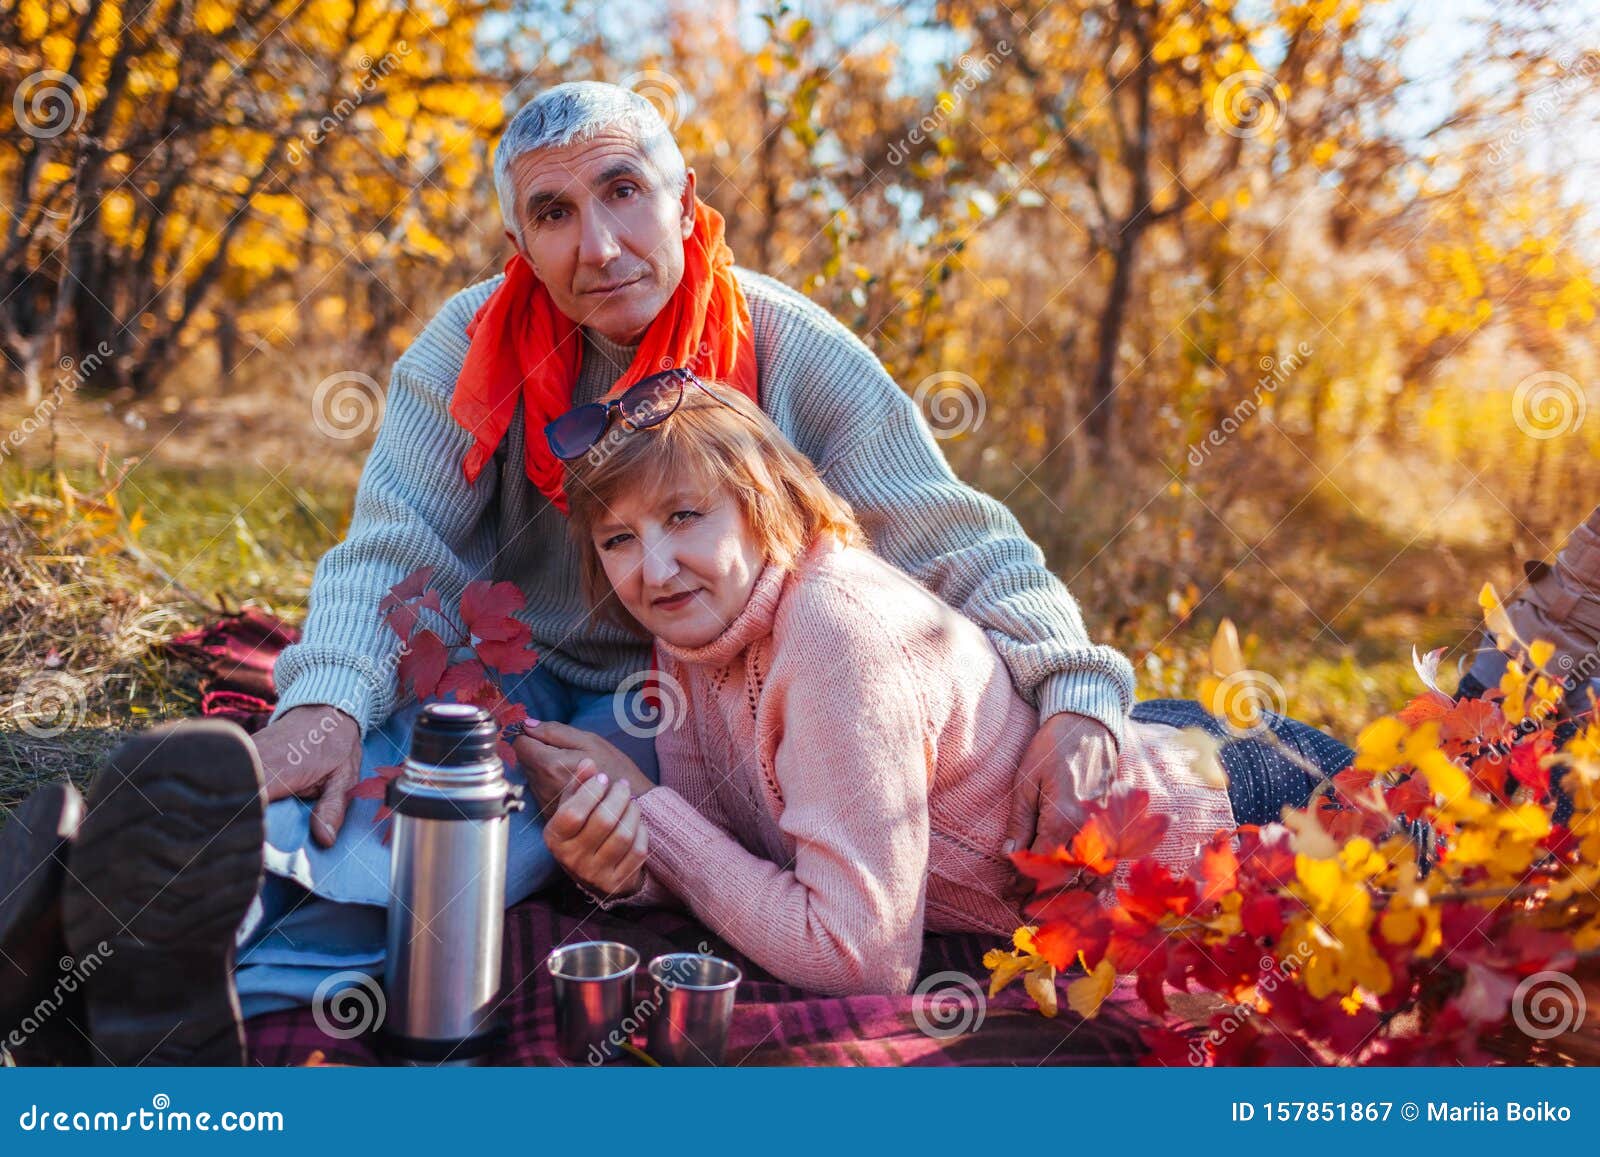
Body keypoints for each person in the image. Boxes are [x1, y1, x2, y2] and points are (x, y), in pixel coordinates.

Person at [229, 79, 1142, 1019]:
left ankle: (248, 979)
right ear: (520, 246)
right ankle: (178, 890)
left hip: (685, 706)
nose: (601, 246)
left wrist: (1078, 697)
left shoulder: (790, 345)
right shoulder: (468, 344)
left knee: (493, 824)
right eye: (555, 213)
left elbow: (961, 542)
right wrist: (327, 700)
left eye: (623, 190)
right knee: (385, 757)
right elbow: (393, 545)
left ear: (684, 197)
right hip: (514, 666)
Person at [512, 373, 1342, 994]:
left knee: (1459, 876)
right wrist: (621, 851)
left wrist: (652, 818)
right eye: (619, 538)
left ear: (762, 500)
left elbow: (861, 958)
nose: (653, 568)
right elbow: (738, 852)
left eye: (685, 517)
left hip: (1249, 813)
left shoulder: (837, 635)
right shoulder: (693, 630)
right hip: (1163, 754)